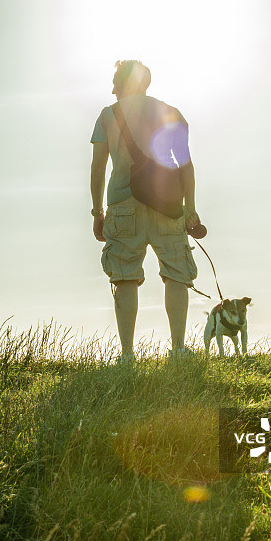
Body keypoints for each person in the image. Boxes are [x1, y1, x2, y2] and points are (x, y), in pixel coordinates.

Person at [90, 60, 202, 361]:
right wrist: (190, 209)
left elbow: (98, 167)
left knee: (124, 276)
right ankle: (178, 349)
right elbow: (185, 166)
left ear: (121, 82)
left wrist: (97, 212)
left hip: (122, 205)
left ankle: (127, 354)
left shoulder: (108, 115)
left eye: (115, 81)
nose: (112, 88)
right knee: (177, 273)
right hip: (166, 205)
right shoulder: (170, 112)